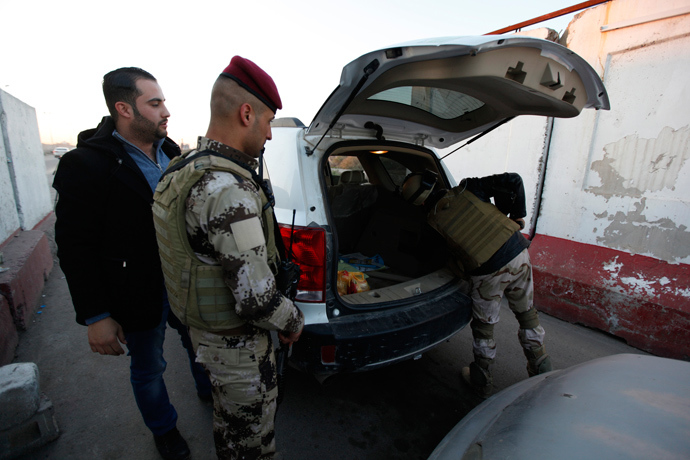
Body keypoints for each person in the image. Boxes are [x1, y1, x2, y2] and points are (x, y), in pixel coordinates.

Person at [53, 67, 212, 460]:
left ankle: (209, 392)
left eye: (163, 102)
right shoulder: (86, 165)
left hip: (184, 282)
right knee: (148, 368)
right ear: (124, 108)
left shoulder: (171, 151)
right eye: (154, 103)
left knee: (198, 346)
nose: (165, 111)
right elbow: (74, 247)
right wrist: (96, 315)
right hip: (138, 291)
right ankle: (164, 430)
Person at [152, 56, 304, 460]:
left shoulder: (182, 167)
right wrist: (293, 320)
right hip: (237, 350)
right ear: (246, 113)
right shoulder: (227, 189)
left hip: (207, 338)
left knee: (231, 429)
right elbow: (256, 299)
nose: (270, 134)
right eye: (269, 122)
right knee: (250, 445)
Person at [401, 170, 552, 398]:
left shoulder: (431, 224)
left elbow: (428, 259)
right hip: (517, 253)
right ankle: (541, 368)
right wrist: (516, 216)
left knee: (484, 327)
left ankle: (481, 379)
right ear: (433, 181)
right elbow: (514, 180)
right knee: (527, 313)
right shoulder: (469, 187)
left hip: (487, 272)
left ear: (417, 202)